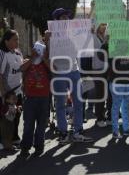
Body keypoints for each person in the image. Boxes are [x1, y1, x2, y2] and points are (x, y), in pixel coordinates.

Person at [47, 8, 93, 144]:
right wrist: (46, 39)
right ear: (56, 20)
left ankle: (78, 131)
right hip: (59, 73)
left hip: (74, 70)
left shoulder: (74, 33)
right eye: (63, 17)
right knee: (60, 104)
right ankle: (63, 132)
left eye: (67, 17)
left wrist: (88, 34)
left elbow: (84, 47)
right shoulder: (50, 34)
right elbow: (47, 54)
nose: (66, 19)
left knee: (78, 102)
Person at [19, 37, 51, 157]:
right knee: (28, 124)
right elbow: (21, 68)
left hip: (44, 97)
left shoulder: (46, 62)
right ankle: (25, 146)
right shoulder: (28, 61)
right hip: (30, 97)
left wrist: (43, 58)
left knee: (41, 124)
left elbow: (53, 69)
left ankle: (39, 146)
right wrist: (32, 58)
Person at [0, 29, 23, 146]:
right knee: (5, 118)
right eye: (15, 39)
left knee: (16, 116)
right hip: (7, 93)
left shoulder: (18, 53)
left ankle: (14, 138)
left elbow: (21, 69)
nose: (17, 42)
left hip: (18, 91)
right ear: (6, 41)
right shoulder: (2, 54)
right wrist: (3, 92)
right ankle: (3, 140)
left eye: (18, 39)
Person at [108, 56, 129, 139]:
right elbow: (101, 56)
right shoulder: (113, 46)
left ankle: (126, 129)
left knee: (125, 106)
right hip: (117, 81)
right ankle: (115, 131)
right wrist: (107, 44)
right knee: (116, 106)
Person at [93, 23, 112, 128]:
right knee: (100, 94)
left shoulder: (108, 36)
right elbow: (97, 52)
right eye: (101, 25)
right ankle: (99, 117)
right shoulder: (93, 37)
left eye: (105, 25)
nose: (104, 27)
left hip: (109, 68)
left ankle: (108, 116)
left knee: (109, 93)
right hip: (98, 68)